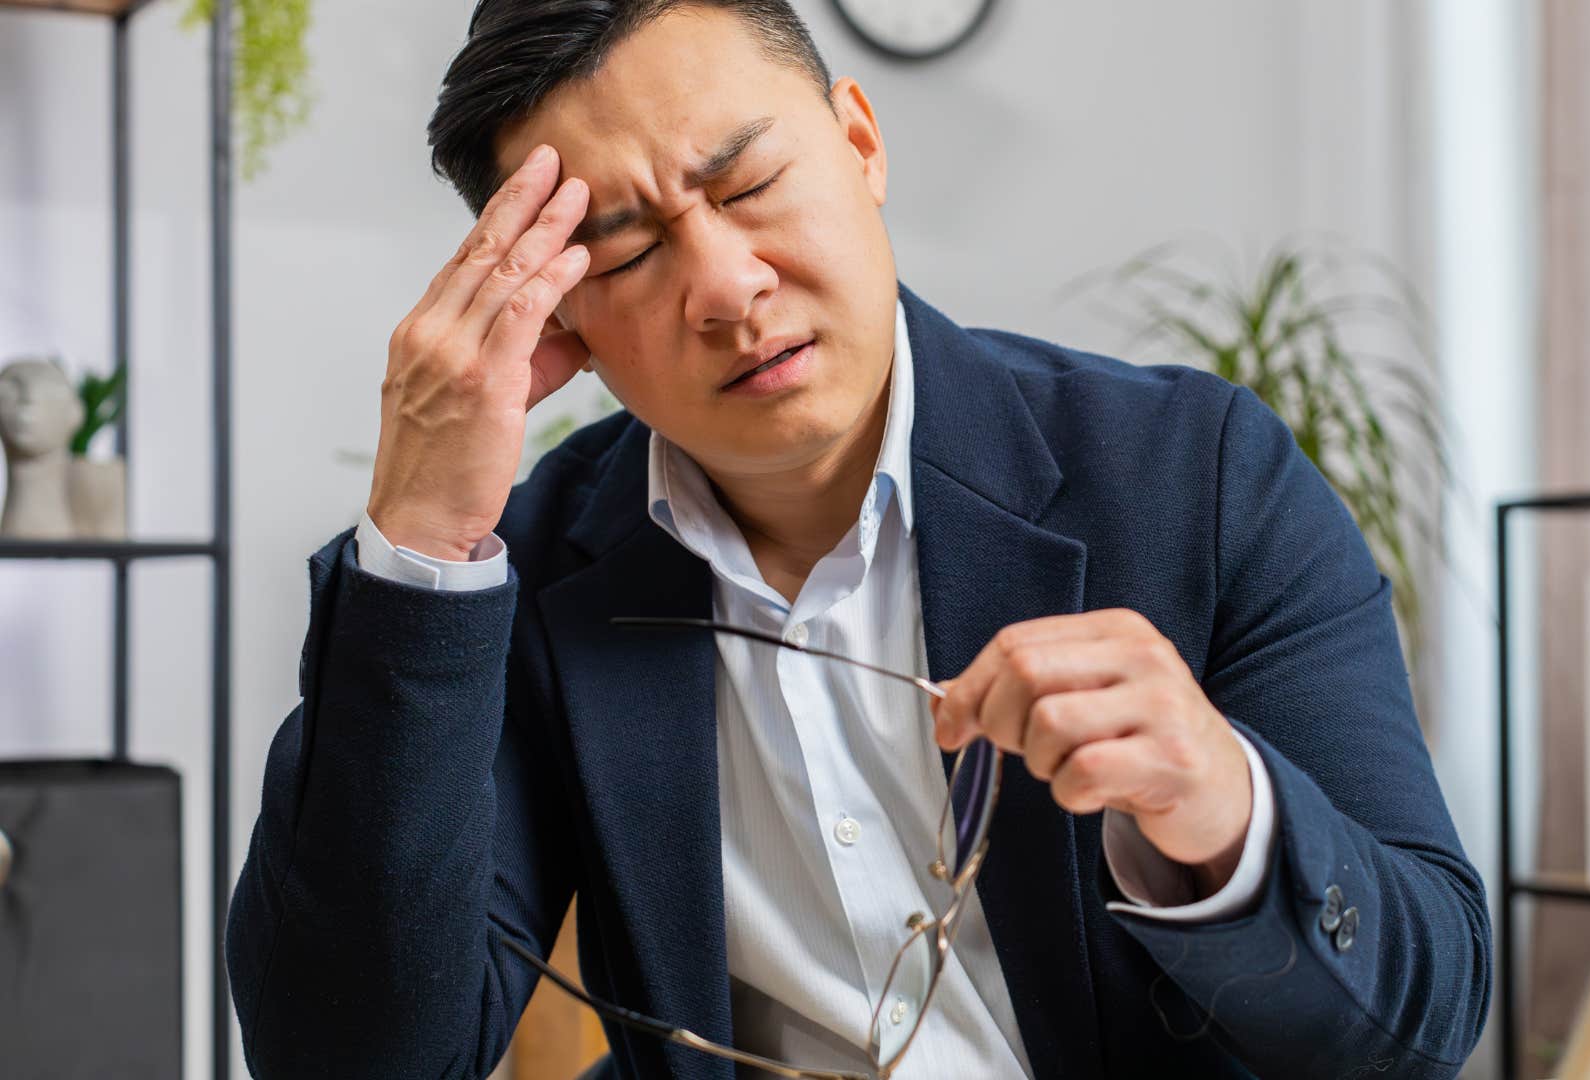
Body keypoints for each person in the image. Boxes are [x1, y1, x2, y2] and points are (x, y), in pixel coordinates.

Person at [226, 2, 1490, 1077]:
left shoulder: (1193, 475)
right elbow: (357, 1053)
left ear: (860, 142)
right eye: (628, 250)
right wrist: (420, 542)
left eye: (751, 184)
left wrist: (1224, 813)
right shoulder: (536, 571)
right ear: (559, 314)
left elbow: (1426, 1013)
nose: (725, 287)